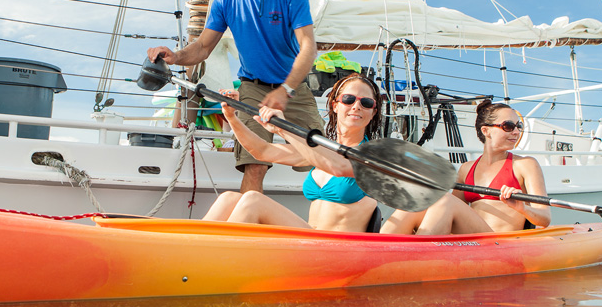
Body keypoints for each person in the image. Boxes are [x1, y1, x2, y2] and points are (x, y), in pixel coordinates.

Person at [146, 0, 321, 193]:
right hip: (253, 88)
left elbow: (308, 46)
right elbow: (203, 47)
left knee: (320, 158)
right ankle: (248, 226)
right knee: (255, 163)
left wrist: (285, 91)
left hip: (294, 88)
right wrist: (176, 56)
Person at [202, 73, 382, 233]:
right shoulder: (323, 151)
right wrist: (232, 117)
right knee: (229, 198)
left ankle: (213, 262)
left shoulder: (371, 156)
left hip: (339, 248)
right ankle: (191, 253)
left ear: (373, 112)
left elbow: (338, 166)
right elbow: (262, 151)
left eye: (366, 102)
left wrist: (282, 130)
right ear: (335, 105)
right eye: (349, 99)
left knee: (253, 200)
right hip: (310, 239)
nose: (356, 106)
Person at [381, 100, 551, 235]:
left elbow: (544, 218)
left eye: (518, 126)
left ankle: (418, 258)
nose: (516, 131)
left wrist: (522, 207)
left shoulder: (525, 164)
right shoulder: (466, 168)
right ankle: (379, 248)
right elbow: (449, 211)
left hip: (500, 243)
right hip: (473, 239)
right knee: (421, 202)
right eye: (508, 126)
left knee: (445, 199)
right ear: (486, 130)